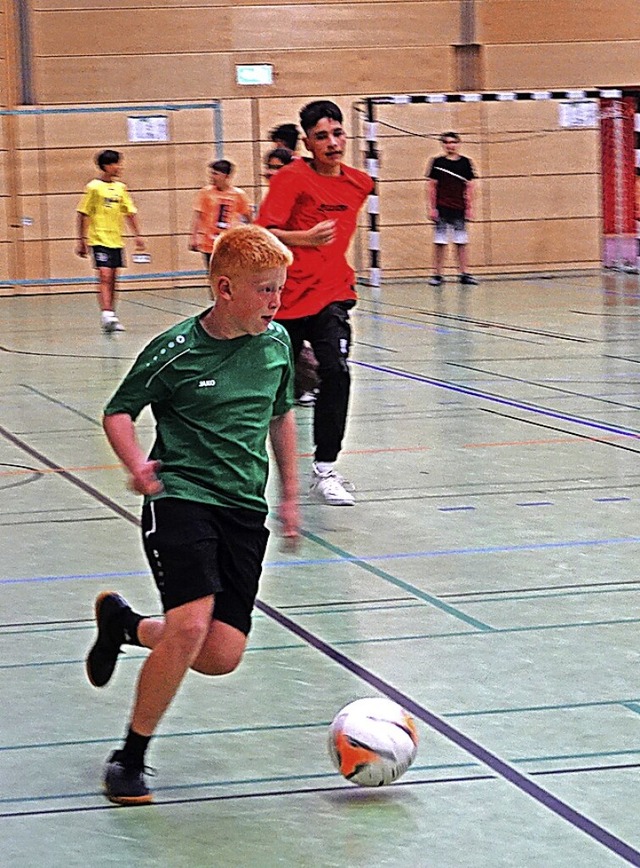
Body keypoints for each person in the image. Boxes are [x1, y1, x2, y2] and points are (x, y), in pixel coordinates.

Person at [86, 225, 299, 806]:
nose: (275, 303)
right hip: (179, 495)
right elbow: (119, 411)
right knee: (189, 624)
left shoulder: (276, 346)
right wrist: (136, 464)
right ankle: (129, 759)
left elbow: (281, 417)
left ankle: (126, 627)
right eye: (264, 290)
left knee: (220, 654)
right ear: (225, 288)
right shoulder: (175, 350)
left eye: (279, 289)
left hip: (242, 509)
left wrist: (290, 495)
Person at [257, 100, 374, 506]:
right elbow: (264, 231)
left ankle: (325, 469)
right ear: (307, 142)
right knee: (275, 389)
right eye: (322, 136)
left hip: (332, 294)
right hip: (286, 300)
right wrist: (304, 238)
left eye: (338, 133)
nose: (332, 142)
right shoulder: (291, 178)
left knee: (337, 374)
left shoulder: (359, 184)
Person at [75, 149, 146, 333]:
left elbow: (129, 212)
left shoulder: (120, 188)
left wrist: (137, 235)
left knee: (114, 277)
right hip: (98, 238)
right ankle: (106, 313)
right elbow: (83, 213)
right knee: (104, 275)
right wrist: (81, 239)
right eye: (115, 163)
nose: (119, 167)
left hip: (116, 240)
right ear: (106, 166)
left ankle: (111, 314)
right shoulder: (94, 187)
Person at [426, 132, 478, 287]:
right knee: (440, 242)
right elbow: (431, 186)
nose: (450, 145)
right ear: (443, 145)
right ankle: (437, 275)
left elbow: (470, 186)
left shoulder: (465, 163)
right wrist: (432, 208)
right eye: (447, 142)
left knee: (461, 242)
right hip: (442, 207)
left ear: (458, 144)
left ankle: (464, 273)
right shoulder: (437, 162)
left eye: (453, 142)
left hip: (459, 208)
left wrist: (469, 207)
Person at [188, 159, 252, 267]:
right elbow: (198, 216)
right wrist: (194, 237)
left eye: (215, 174)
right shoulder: (205, 193)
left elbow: (249, 218)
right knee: (213, 271)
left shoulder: (239, 195)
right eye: (211, 173)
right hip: (209, 242)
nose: (212, 177)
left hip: (230, 242)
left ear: (226, 176)